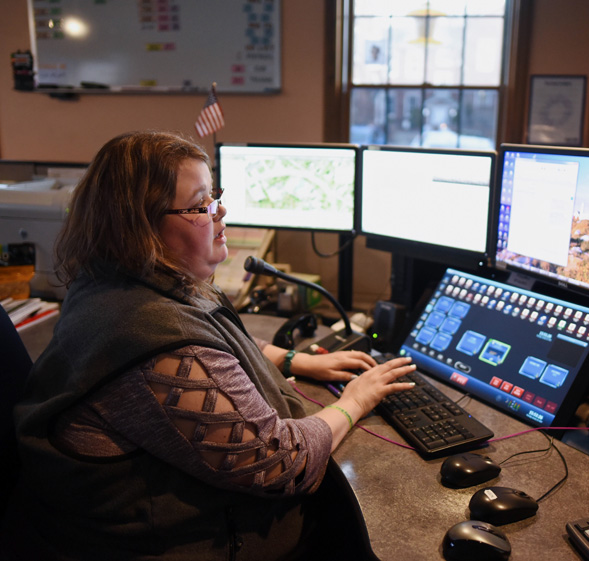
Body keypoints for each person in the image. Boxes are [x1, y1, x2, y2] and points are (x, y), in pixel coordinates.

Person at [2, 130, 416, 560]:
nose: (221, 212)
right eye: (201, 205)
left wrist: (293, 359)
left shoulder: (116, 282)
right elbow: (279, 462)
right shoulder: (154, 344)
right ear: (140, 227)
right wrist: (354, 401)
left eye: (214, 196)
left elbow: (208, 334)